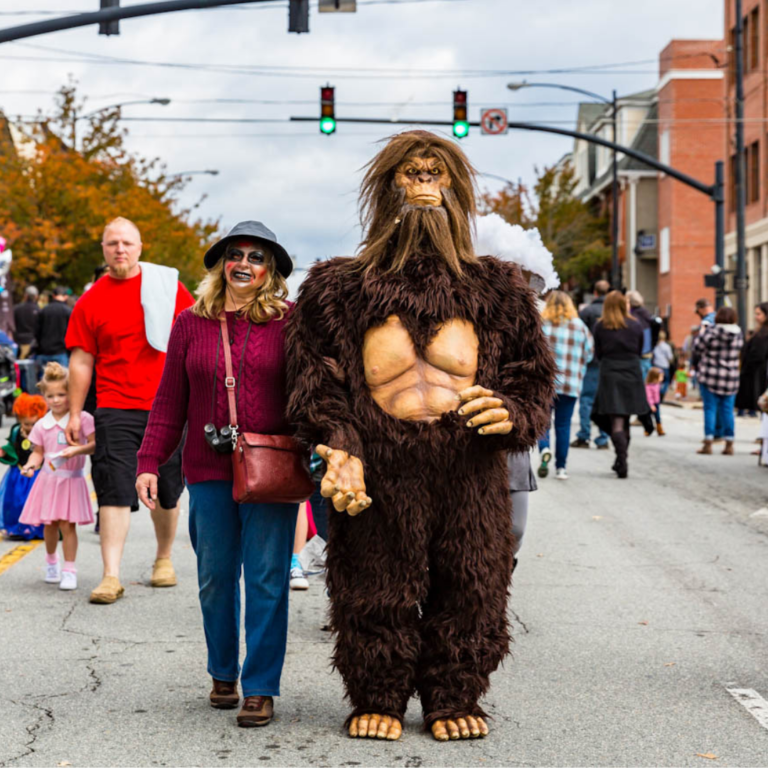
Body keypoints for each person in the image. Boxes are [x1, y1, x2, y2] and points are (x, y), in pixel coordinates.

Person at [136, 221, 299, 729]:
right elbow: (168, 401)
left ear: (270, 269)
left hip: (271, 469)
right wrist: (148, 461)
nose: (244, 264)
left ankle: (261, 687)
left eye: (256, 257)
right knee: (214, 579)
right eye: (236, 255)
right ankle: (223, 672)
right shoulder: (190, 323)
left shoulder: (292, 322)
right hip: (207, 471)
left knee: (269, 579)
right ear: (221, 264)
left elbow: (311, 396)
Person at [64, 217, 194, 604]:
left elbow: (194, 341)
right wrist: (74, 414)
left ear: (140, 247)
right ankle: (110, 575)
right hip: (115, 407)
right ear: (103, 250)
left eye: (127, 243)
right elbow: (81, 362)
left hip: (168, 406)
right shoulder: (91, 300)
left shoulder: (168, 288)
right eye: (112, 243)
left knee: (168, 493)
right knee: (113, 491)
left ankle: (163, 558)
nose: (119, 249)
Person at [18, 363, 95, 591]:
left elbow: (94, 445)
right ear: (44, 396)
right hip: (48, 480)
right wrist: (30, 466)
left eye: (62, 394)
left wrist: (76, 450)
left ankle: (69, 569)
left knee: (67, 525)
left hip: (71, 480)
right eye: (50, 396)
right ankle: (51, 562)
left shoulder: (82, 418)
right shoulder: (42, 424)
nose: (56, 400)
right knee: (49, 525)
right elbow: (38, 452)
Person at [591, 290, 650, 479]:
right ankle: (621, 458)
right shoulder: (635, 325)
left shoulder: (601, 326)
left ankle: (621, 460)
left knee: (616, 419)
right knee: (625, 416)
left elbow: (598, 352)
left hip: (610, 371)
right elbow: (640, 349)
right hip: (632, 371)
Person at [537, 291, 593, 480]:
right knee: (563, 425)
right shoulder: (580, 327)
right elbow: (590, 353)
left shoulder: (542, 324)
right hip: (570, 384)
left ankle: (544, 449)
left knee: (543, 422)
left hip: (545, 383)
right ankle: (561, 467)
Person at [692, 306, 744, 456]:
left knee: (710, 409)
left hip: (711, 375)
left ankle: (708, 442)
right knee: (728, 410)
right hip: (731, 377)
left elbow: (697, 348)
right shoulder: (738, 333)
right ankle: (729, 443)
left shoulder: (711, 332)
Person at [0, 394, 47, 540]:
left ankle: (38, 528)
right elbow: (12, 447)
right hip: (18, 474)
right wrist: (4, 451)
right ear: (19, 419)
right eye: (27, 424)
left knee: (37, 502)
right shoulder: (16, 431)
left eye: (34, 423)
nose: (31, 427)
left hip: (37, 474)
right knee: (16, 502)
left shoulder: (43, 431)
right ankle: (17, 528)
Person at [572, 280, 610, 450]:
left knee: (587, 399)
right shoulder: (612, 312)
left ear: (595, 293)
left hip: (591, 361)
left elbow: (580, 337)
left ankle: (584, 435)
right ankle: (603, 437)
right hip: (608, 362)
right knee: (604, 399)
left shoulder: (587, 312)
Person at [735, 303, 768, 418]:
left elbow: (758, 354)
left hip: (758, 374)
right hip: (755, 373)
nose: (756, 317)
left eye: (759, 314)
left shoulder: (763, 334)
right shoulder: (760, 331)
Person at [35, 286, 72, 370]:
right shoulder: (68, 311)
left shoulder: (44, 310)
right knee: (61, 380)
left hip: (44, 351)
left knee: (44, 380)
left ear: (53, 295)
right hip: (61, 352)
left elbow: (37, 331)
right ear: (66, 296)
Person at [13, 286, 39, 360]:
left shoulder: (16, 308)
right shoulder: (38, 310)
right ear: (36, 296)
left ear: (25, 295)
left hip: (17, 341)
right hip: (32, 342)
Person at [652, 330, 675, 401]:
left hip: (656, 365)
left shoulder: (655, 346)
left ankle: (656, 394)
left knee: (656, 381)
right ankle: (662, 392)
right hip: (664, 366)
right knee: (666, 381)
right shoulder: (666, 346)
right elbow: (670, 357)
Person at [644, 367, 665, 436]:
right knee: (648, 417)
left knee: (658, 417)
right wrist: (651, 405)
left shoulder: (658, 384)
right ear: (654, 377)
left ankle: (659, 428)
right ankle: (648, 429)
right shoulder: (648, 386)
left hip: (657, 403)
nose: (662, 378)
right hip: (650, 404)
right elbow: (649, 397)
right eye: (661, 377)